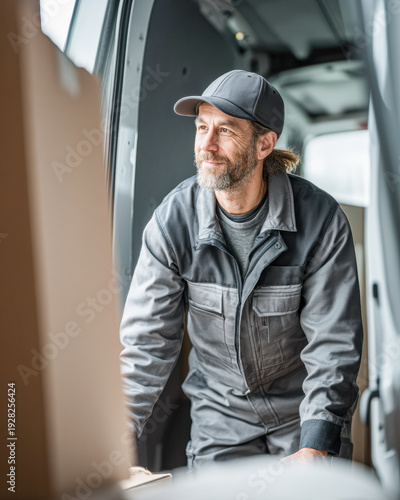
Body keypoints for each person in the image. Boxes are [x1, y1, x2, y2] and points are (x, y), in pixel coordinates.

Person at [120, 70, 363, 468]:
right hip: (221, 415)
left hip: (302, 412)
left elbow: (333, 344)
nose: (207, 145)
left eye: (226, 131)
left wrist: (317, 442)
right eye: (202, 128)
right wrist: (115, 440)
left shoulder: (321, 221)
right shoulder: (172, 222)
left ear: (265, 143)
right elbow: (146, 343)